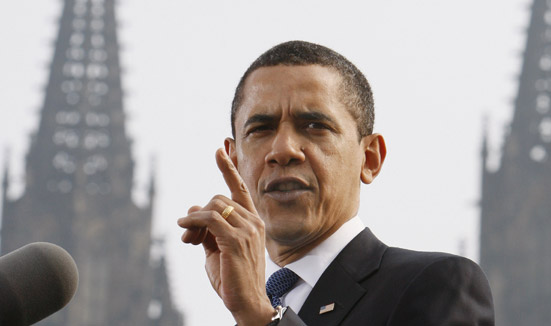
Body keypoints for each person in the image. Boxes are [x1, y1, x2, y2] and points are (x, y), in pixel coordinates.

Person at [177, 40, 494, 326]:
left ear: (369, 159)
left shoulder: (436, 284)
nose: (283, 149)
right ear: (234, 159)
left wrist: (260, 316)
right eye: (260, 129)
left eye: (314, 125)